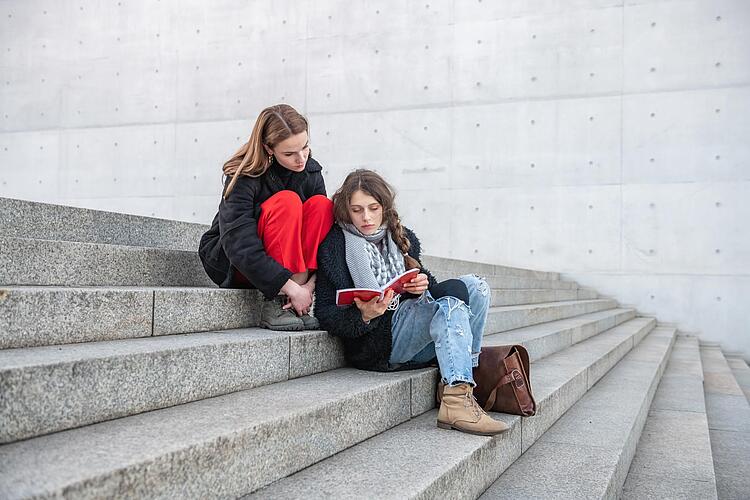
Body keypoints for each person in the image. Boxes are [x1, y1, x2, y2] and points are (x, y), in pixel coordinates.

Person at [315, 169, 508, 436]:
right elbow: (324, 312)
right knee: (451, 297)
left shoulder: (401, 236)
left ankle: (458, 386)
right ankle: (458, 398)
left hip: (409, 324)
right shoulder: (336, 246)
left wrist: (421, 285)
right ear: (346, 210)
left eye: (373, 208)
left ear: (385, 206)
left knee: (476, 287)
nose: (366, 217)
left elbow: (425, 280)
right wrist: (365, 315)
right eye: (357, 210)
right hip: (381, 344)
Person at [198, 104, 334, 331]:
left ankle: (293, 304)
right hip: (237, 262)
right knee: (288, 202)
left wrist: (308, 288)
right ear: (268, 148)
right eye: (289, 153)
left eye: (305, 147)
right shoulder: (244, 174)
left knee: (322, 206)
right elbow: (239, 243)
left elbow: (321, 235)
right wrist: (289, 288)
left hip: (297, 275)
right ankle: (277, 301)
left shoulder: (310, 171)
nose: (301, 159)